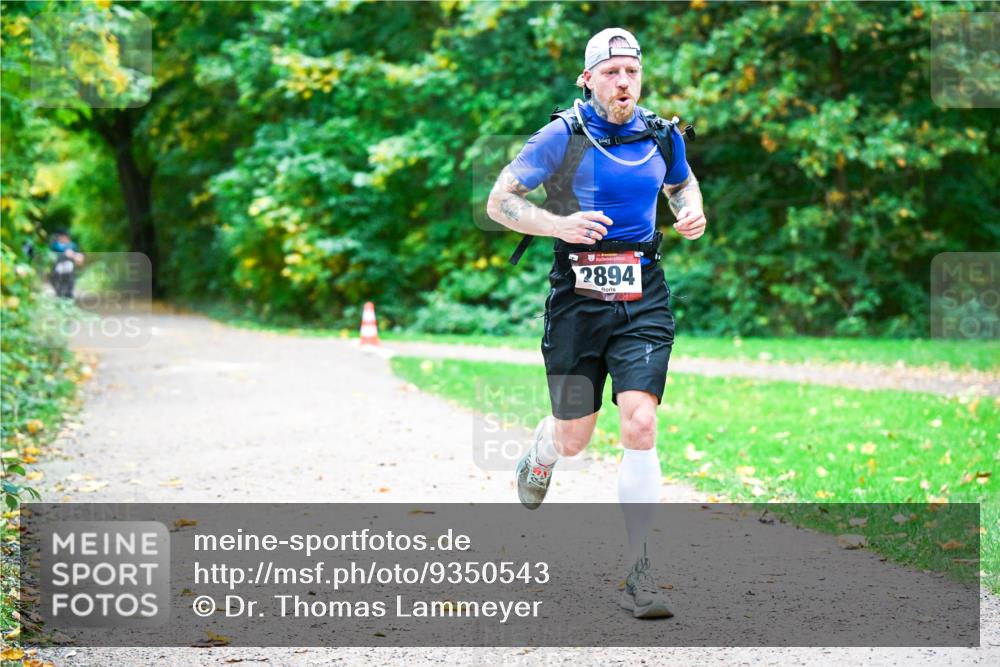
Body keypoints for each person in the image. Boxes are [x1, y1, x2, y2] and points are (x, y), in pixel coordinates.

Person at [485, 28, 707, 619]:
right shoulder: (563, 136)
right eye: (611, 72)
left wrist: (691, 212)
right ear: (588, 79)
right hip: (578, 298)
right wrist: (557, 225)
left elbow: (681, 184)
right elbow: (499, 200)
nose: (624, 82)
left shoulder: (661, 134)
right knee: (575, 436)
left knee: (640, 422)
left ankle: (640, 571)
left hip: (643, 292)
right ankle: (543, 448)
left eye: (632, 71)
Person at [49, 229, 85, 299]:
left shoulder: (73, 246)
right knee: (59, 288)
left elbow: (79, 258)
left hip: (69, 270)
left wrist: (75, 256)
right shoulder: (55, 246)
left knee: (68, 288)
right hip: (57, 270)